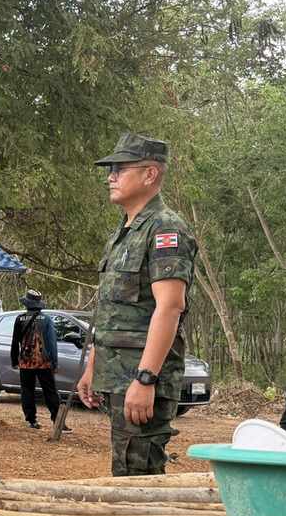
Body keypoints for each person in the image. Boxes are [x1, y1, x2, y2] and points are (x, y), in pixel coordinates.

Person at [76, 134, 198, 476]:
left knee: (140, 481)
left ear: (149, 175)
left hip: (142, 379)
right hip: (117, 376)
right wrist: (93, 367)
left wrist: (145, 380)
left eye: (119, 169)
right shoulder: (123, 235)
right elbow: (114, 312)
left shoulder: (165, 229)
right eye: (109, 170)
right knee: (125, 474)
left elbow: (170, 308)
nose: (110, 177)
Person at [10, 289, 71, 432]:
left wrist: (14, 360)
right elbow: (51, 343)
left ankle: (31, 420)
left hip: (25, 363)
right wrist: (55, 363)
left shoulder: (19, 319)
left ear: (27, 304)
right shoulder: (46, 319)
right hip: (43, 363)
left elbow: (15, 341)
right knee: (51, 392)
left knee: (27, 391)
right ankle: (58, 421)